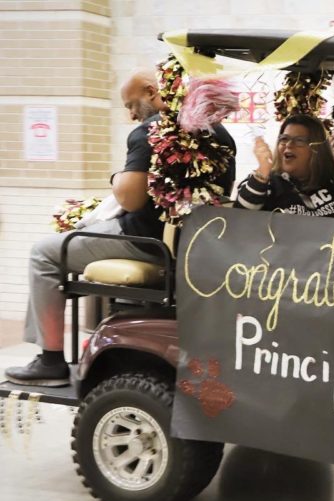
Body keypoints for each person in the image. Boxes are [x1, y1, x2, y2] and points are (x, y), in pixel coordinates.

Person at [5, 69, 237, 386]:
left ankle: (50, 360)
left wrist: (116, 179)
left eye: (132, 104)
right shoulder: (220, 134)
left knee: (44, 253)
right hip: (193, 247)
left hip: (144, 241)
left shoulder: (151, 132)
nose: (130, 115)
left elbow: (129, 197)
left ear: (152, 91)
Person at [235, 113, 334, 217]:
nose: (288, 145)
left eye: (299, 141)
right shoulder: (266, 182)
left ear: (316, 148)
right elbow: (241, 217)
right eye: (284, 139)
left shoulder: (333, 179)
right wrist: (263, 170)